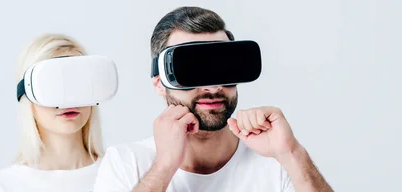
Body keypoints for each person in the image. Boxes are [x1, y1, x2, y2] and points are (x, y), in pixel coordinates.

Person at [93, 6, 334, 192]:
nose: (213, 86)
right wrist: (164, 166)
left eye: (223, 68)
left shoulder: (276, 162)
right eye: (191, 71)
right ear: (159, 83)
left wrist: (292, 153)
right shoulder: (126, 163)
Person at [0, 34, 105, 192]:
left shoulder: (125, 174)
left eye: (77, 83)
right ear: (27, 94)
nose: (68, 101)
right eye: (51, 86)